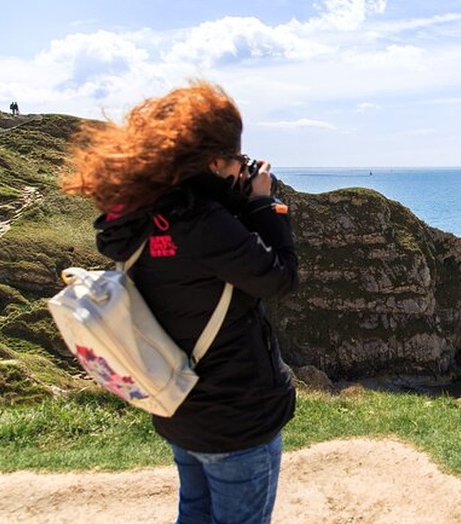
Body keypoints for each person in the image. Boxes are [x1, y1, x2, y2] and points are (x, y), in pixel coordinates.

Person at [61, 81, 298, 524]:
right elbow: (280, 278)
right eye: (236, 159)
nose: (242, 168)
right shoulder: (203, 223)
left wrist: (234, 202)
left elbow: (202, 268)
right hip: (236, 417)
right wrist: (263, 204)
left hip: (179, 406)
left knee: (194, 513)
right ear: (212, 161)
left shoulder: (141, 218)